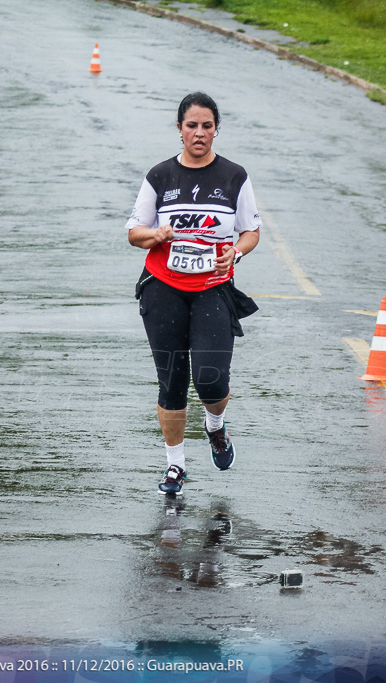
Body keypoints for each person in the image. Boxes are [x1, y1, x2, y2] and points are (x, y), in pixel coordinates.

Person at [126, 92, 261, 496]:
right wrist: (156, 233)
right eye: (191, 125)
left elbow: (251, 231)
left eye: (206, 126)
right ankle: (175, 466)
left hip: (212, 290)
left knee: (211, 379)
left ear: (216, 129)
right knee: (172, 381)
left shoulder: (234, 176)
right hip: (163, 288)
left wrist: (234, 253)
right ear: (180, 129)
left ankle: (216, 428)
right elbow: (134, 233)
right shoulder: (160, 177)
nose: (199, 133)